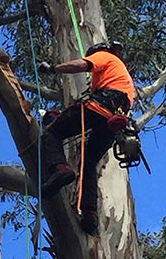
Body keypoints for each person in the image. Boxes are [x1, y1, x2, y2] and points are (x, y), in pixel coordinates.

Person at [40, 41, 135, 234]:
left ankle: (61, 168)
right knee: (89, 161)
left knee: (51, 132)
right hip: (114, 121)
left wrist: (53, 69)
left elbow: (81, 65)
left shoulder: (105, 57)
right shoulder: (122, 77)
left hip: (99, 107)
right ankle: (90, 214)